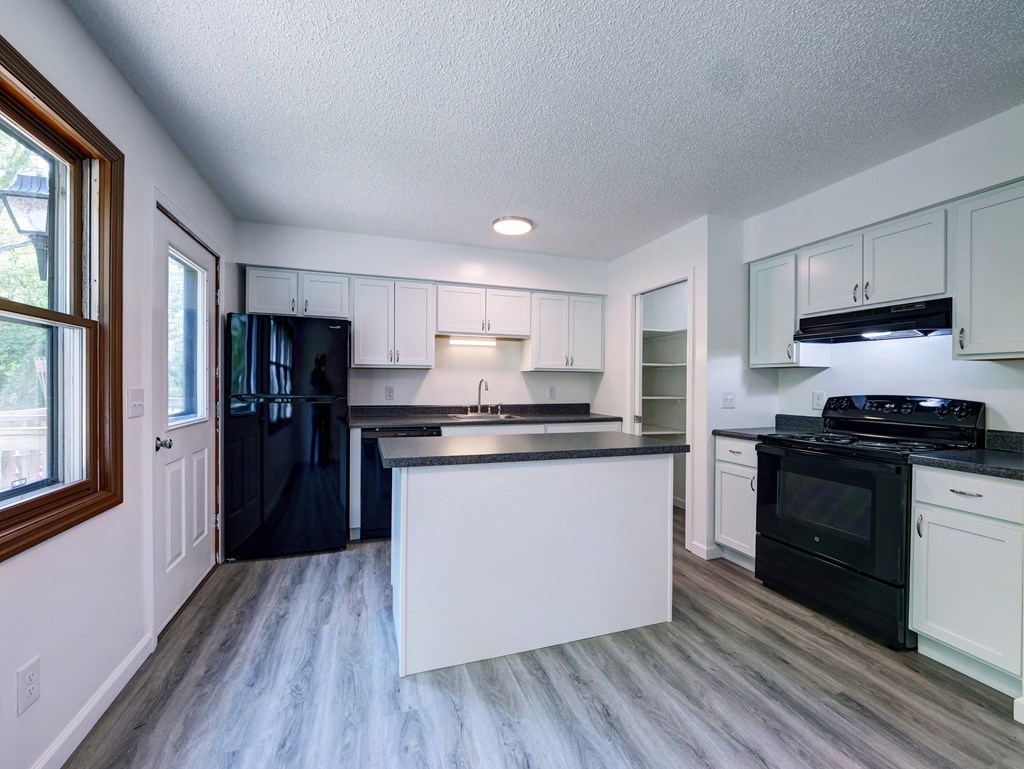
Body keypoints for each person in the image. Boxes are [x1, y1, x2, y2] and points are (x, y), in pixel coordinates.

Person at [309, 353, 332, 467]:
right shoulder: (315, 374)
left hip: (323, 409)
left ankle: (322, 461)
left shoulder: (322, 375)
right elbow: (314, 389)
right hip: (317, 409)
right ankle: (313, 463)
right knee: (315, 436)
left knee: (322, 436)